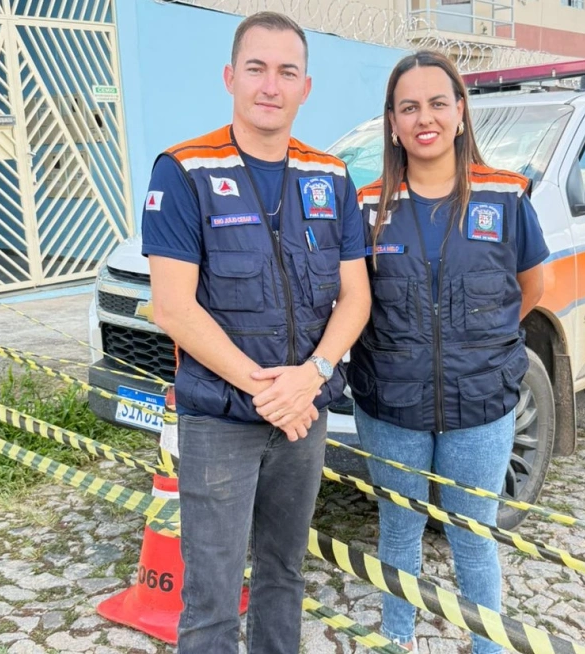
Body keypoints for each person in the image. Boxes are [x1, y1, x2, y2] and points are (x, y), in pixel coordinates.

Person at [141, 11, 371, 654]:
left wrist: (313, 376)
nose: (271, 85)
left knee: (284, 574)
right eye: (257, 68)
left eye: (286, 71)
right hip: (219, 421)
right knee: (211, 594)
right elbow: (173, 307)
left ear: (305, 87)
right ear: (230, 78)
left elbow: (356, 296)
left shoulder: (330, 176)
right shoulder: (183, 171)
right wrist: (268, 389)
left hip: (305, 416)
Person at [348, 50, 548, 654]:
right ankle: (398, 640)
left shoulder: (506, 197)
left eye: (438, 103)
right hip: (390, 405)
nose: (424, 118)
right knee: (399, 532)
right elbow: (351, 297)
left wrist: (480, 348)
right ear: (392, 122)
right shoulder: (366, 206)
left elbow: (534, 285)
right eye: (409, 107)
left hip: (481, 405)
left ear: (460, 112)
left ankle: (486, 645)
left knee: (474, 536)